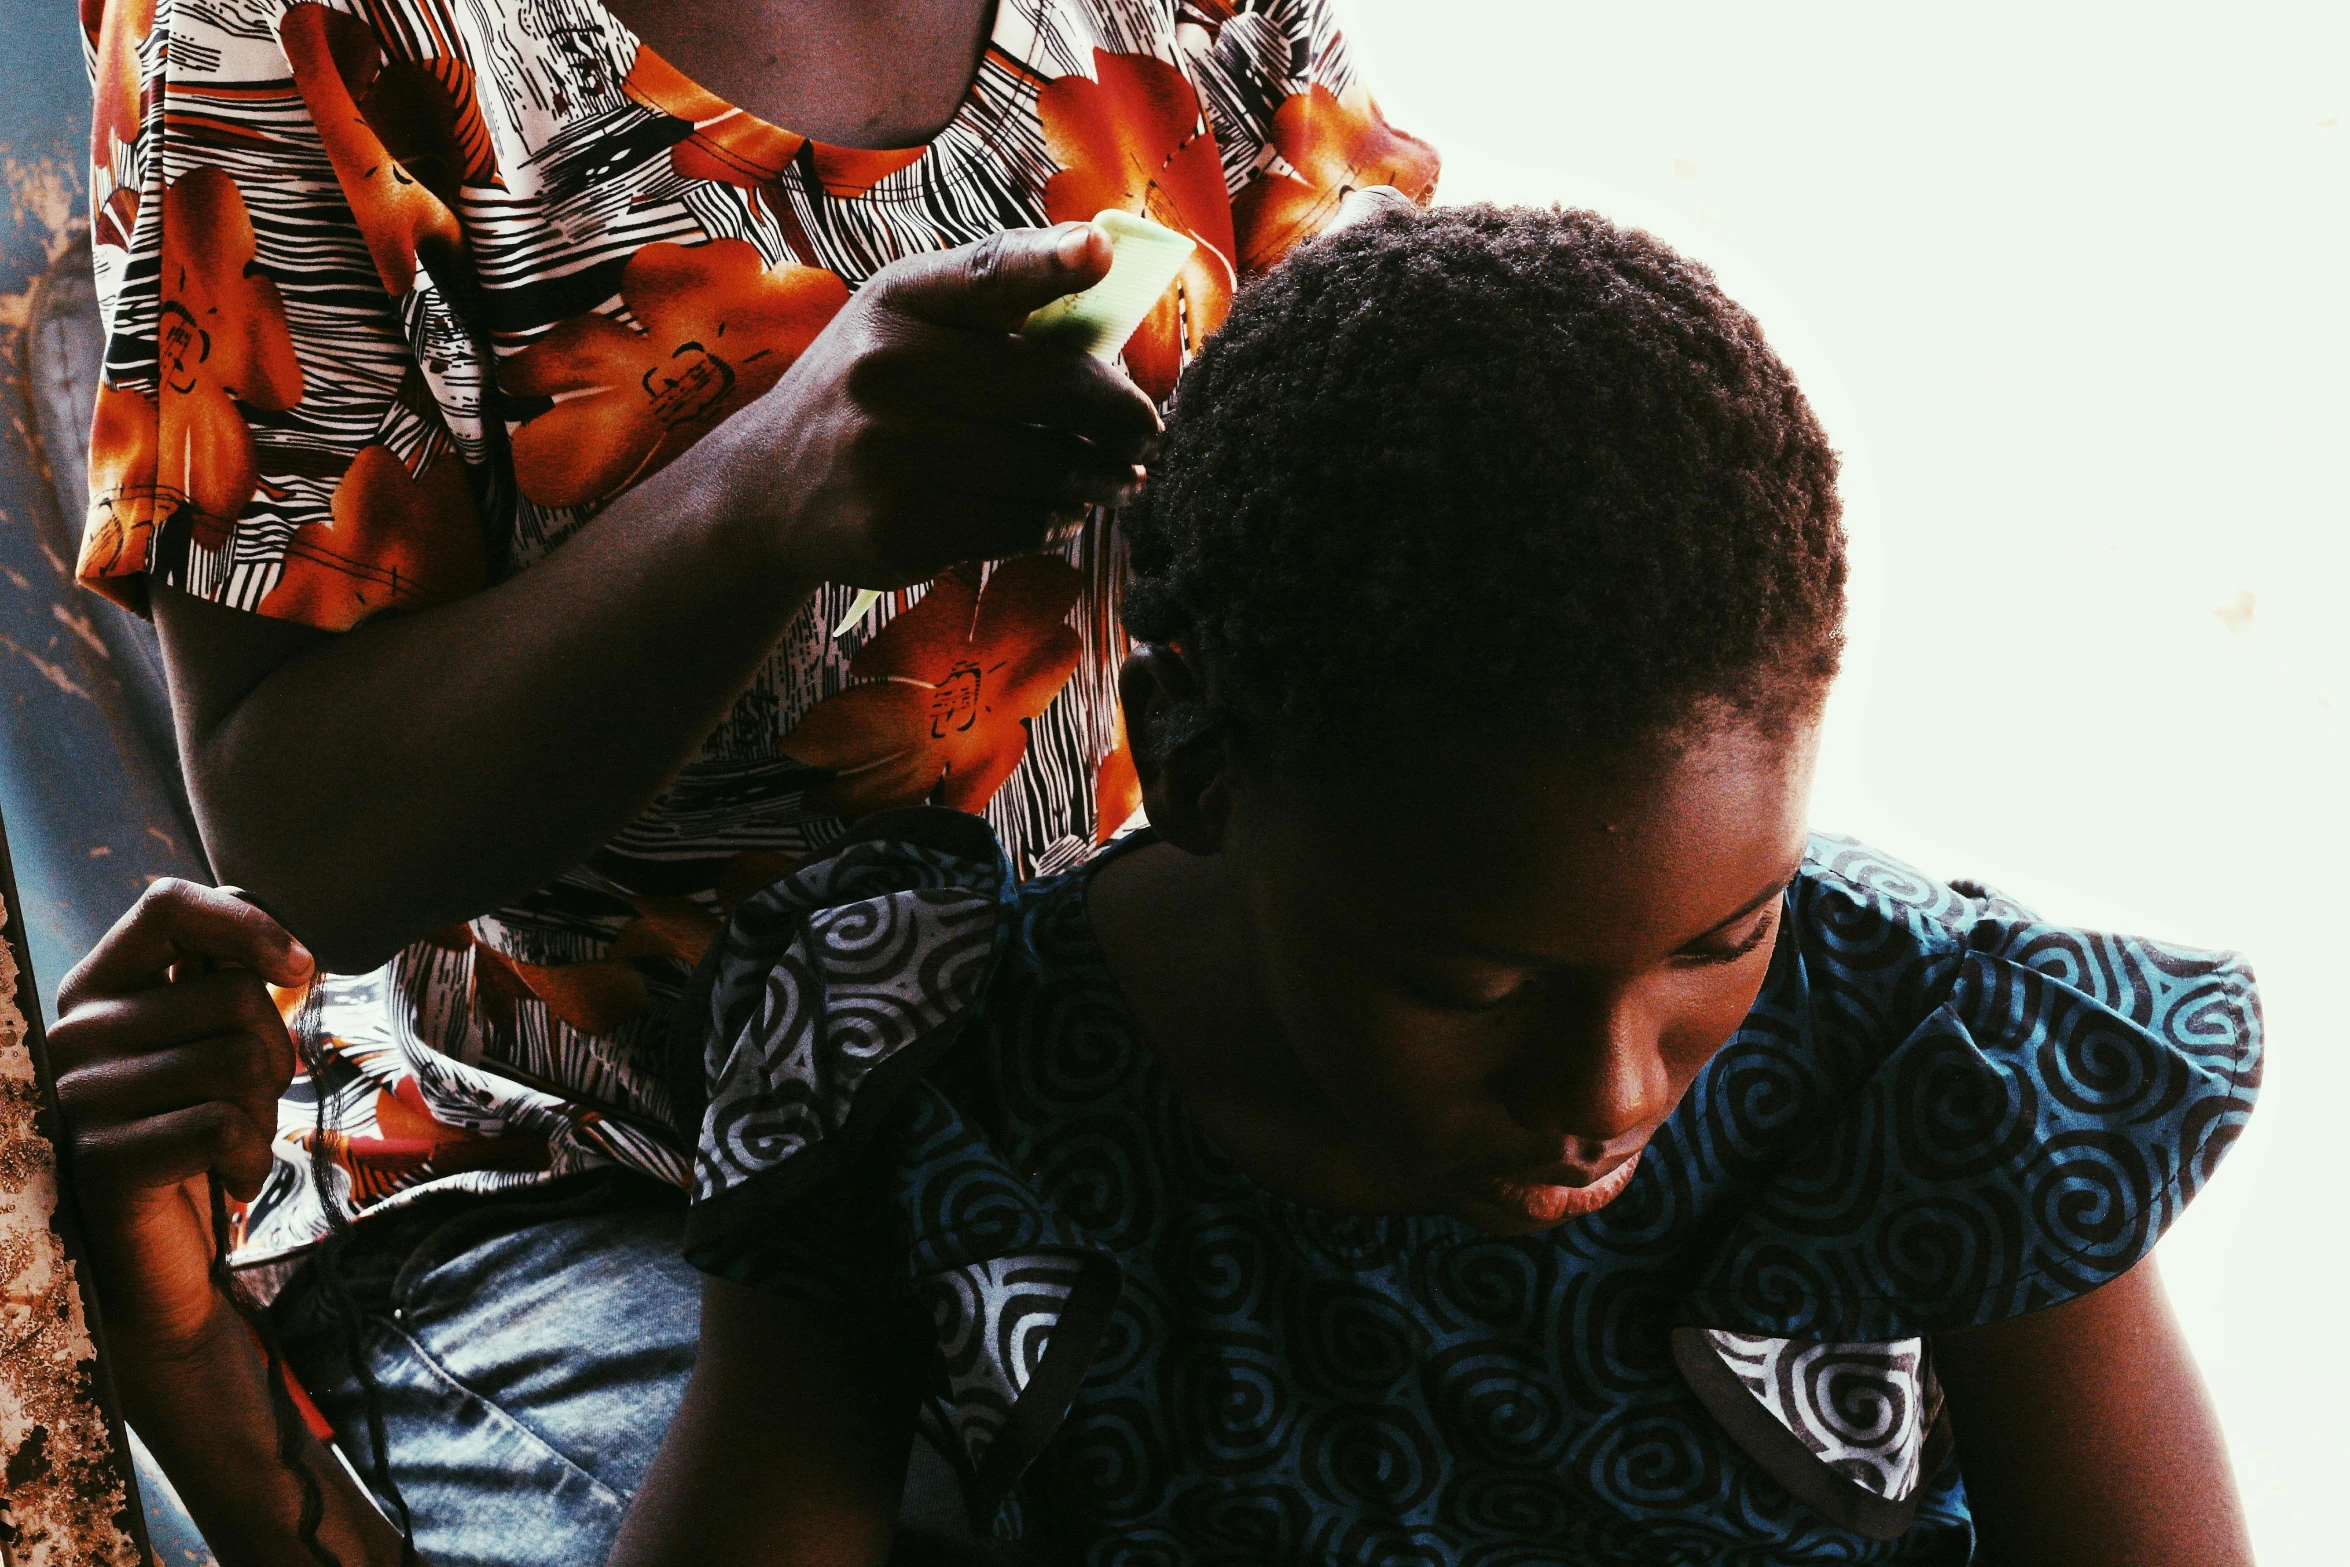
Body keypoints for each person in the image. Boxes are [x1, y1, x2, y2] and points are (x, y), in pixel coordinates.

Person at [621, 206, 2253, 1562]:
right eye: (1469, 984)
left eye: (1724, 939)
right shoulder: (920, 1075)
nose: (1605, 1092)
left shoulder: (1938, 1074)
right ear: (1187, 759)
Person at [73, 0, 1434, 1556]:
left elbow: (1384, 429)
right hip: (583, 1160)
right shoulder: (300, 32)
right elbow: (299, 829)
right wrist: (751, 498)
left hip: (1106, 1083)